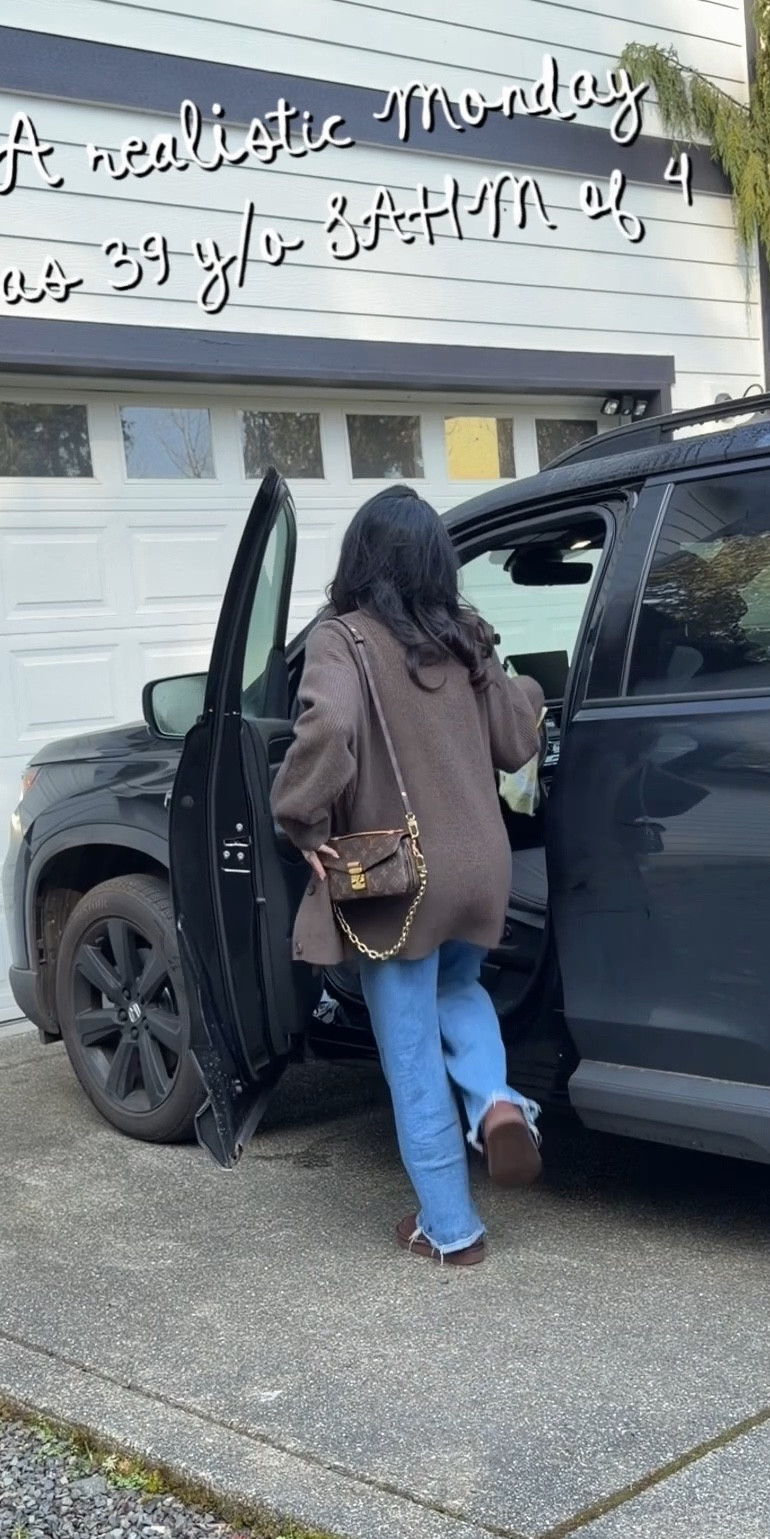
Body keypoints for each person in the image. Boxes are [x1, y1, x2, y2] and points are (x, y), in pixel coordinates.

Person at [270, 484, 547, 1268]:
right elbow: (515, 741)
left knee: (411, 1048)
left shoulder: (343, 639)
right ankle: (496, 1103)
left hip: (401, 875)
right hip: (481, 867)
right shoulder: (466, 637)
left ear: (360, 557)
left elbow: (326, 730)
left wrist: (301, 821)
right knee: (459, 988)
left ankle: (451, 1228)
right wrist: (521, 685)